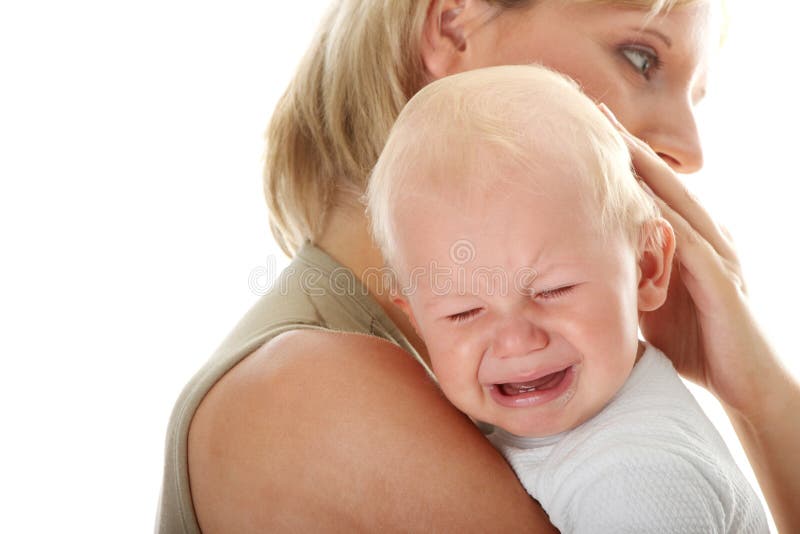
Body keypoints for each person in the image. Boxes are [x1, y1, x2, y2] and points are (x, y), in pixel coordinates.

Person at [156, 1, 800, 532]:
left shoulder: (508, 388)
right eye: (640, 57)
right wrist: (766, 402)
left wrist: (750, 389)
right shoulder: (313, 394)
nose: (688, 149)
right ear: (454, 23)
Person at [366, 63, 768, 532]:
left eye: (553, 290)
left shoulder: (632, 480)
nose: (517, 341)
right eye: (464, 312)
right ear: (415, 320)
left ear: (648, 268)